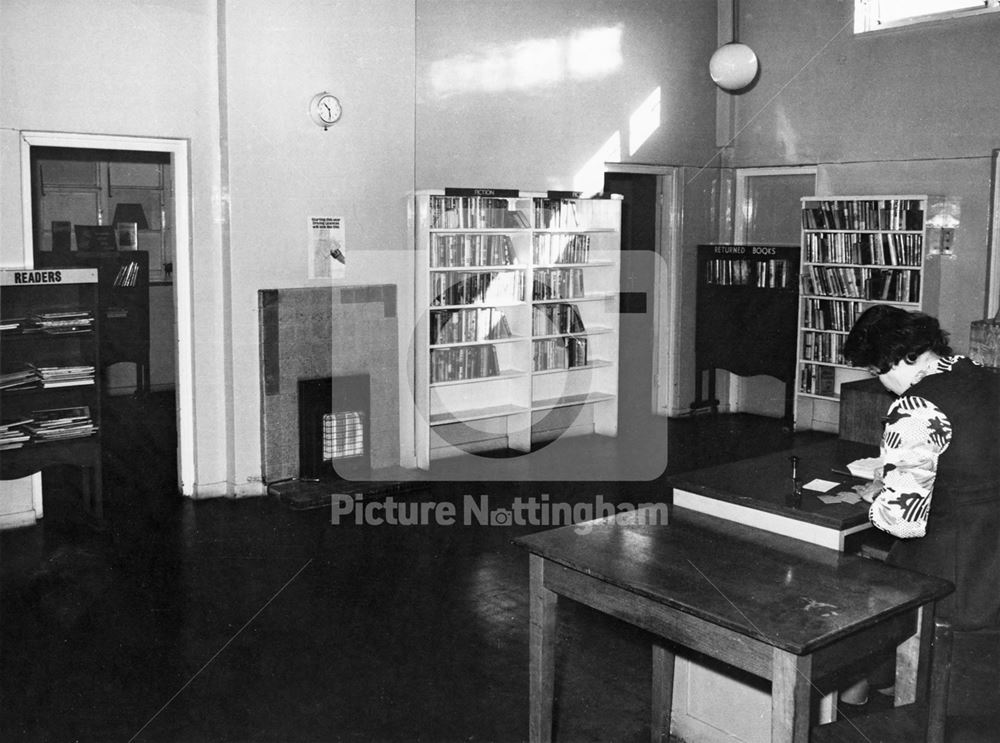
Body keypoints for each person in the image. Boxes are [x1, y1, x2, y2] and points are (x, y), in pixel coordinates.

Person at [837, 305, 1000, 705]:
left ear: (894, 359)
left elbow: (903, 522)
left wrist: (880, 494)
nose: (884, 385)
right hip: (991, 558)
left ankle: (863, 689)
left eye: (878, 373)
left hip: (954, 578)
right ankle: (874, 682)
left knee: (863, 592)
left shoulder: (915, 407)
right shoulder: (988, 379)